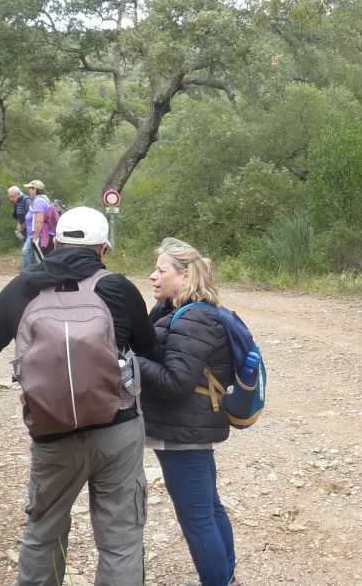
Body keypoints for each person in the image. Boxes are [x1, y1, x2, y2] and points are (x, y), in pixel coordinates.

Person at [0, 207, 156, 585]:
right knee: (121, 540)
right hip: (117, 429)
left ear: (55, 243)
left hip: (52, 434)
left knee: (44, 532)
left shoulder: (25, 286)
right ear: (103, 248)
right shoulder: (117, 287)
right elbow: (150, 348)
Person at [138, 238, 238, 586]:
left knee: (198, 519)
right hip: (186, 428)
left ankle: (219, 581)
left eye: (161, 270)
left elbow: (174, 383)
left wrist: (128, 362)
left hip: (184, 432)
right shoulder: (175, 311)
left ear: (184, 276)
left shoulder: (194, 319)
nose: (152, 276)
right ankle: (227, 578)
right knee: (208, 509)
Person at [24, 180, 54, 269]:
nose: (29, 190)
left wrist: (35, 238)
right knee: (47, 263)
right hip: (47, 236)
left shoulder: (38, 201)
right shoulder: (45, 199)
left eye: (30, 188)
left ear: (35, 189)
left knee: (46, 264)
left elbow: (39, 221)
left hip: (42, 238)